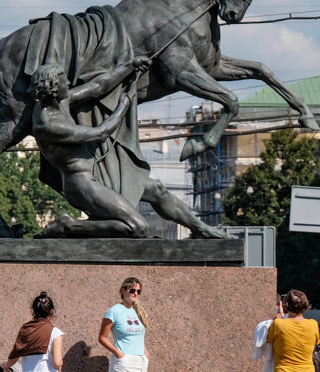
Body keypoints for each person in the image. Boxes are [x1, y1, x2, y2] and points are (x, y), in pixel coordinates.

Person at [30, 59, 229, 239]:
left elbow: (97, 87)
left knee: (156, 189)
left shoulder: (60, 102)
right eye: (63, 81)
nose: (68, 84)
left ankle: (199, 228)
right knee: (138, 228)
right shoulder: (49, 124)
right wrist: (123, 106)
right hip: (82, 184)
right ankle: (68, 226)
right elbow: (100, 132)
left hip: (98, 172)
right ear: (53, 86)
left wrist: (129, 67)